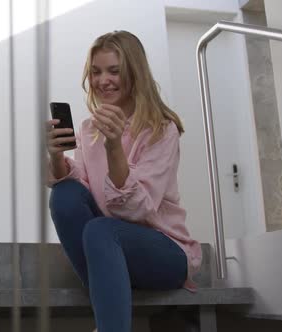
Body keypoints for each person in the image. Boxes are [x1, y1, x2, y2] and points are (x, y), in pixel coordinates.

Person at [46, 30, 202, 332]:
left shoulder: (161, 129)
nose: (103, 80)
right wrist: (55, 156)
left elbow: (139, 211)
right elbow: (83, 192)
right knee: (64, 194)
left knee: (102, 230)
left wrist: (114, 146)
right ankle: (110, 296)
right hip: (109, 248)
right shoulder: (90, 128)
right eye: (96, 72)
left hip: (166, 253)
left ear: (134, 72)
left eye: (114, 71)